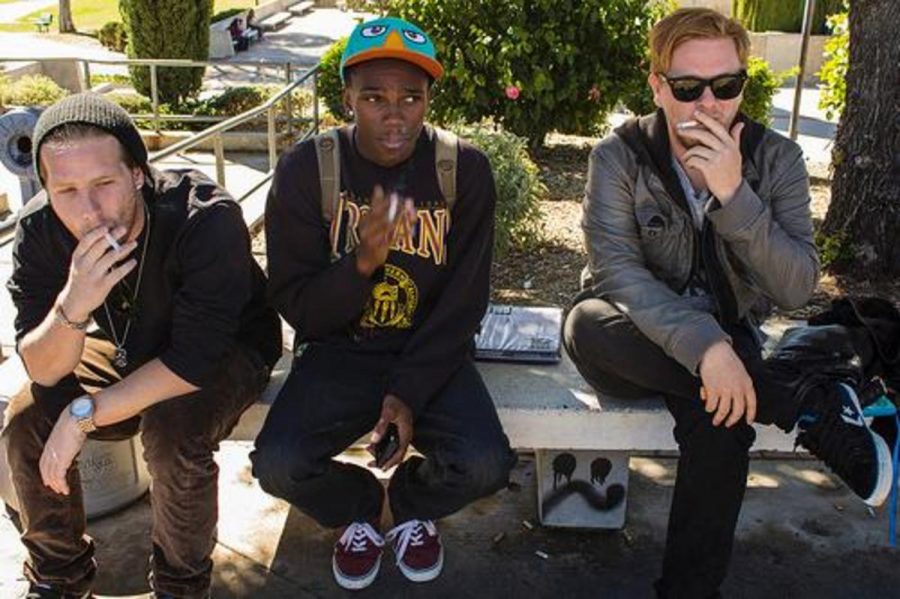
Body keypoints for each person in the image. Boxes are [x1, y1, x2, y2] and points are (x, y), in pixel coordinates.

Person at [562, 8, 892, 598]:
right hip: (635, 339)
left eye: (727, 86)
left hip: (730, 344)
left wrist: (735, 195)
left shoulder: (777, 159)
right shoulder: (619, 156)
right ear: (659, 86)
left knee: (722, 418)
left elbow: (796, 287)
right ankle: (801, 403)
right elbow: (617, 273)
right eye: (688, 88)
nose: (709, 104)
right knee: (587, 324)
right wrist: (705, 346)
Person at [251, 16, 516, 591]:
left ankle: (410, 504)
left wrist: (409, 393)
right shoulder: (308, 170)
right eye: (373, 96)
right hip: (338, 351)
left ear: (428, 100)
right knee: (277, 464)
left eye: (410, 97)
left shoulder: (462, 169)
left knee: (486, 463)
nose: (394, 113)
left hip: (432, 351)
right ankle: (363, 507)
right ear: (347, 96)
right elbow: (300, 307)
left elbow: (465, 303)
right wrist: (363, 262)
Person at [2, 93, 282, 598]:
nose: (87, 210)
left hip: (228, 349)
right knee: (27, 420)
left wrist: (82, 414)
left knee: (172, 430)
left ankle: (179, 585)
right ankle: (57, 578)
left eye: (104, 184)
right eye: (65, 189)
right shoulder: (41, 230)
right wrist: (74, 304)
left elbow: (193, 362)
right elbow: (42, 367)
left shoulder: (204, 218)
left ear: (137, 173)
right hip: (128, 346)